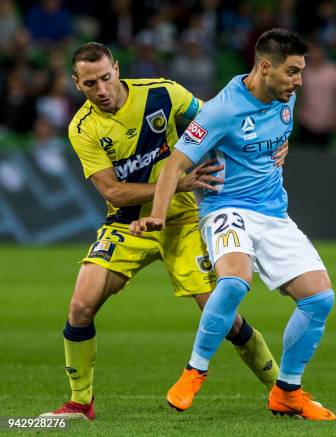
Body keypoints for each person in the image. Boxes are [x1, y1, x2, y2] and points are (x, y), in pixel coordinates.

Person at [40, 42, 286, 420]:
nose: (102, 89)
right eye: (91, 84)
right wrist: (178, 184)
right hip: (128, 224)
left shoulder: (163, 93)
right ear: (77, 84)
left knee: (223, 316)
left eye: (106, 78)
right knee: (80, 306)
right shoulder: (83, 128)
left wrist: (272, 143)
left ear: (117, 69)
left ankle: (284, 391)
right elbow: (113, 191)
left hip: (184, 222)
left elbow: (223, 123)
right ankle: (79, 402)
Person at [130, 29, 336, 421]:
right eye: (293, 72)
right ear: (264, 67)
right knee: (235, 280)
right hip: (226, 207)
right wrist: (157, 213)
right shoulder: (221, 111)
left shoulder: (285, 100)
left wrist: (284, 145)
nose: (299, 81)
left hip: (273, 212)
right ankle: (195, 371)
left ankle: (287, 392)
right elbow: (175, 163)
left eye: (301, 72)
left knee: (320, 299)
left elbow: (274, 139)